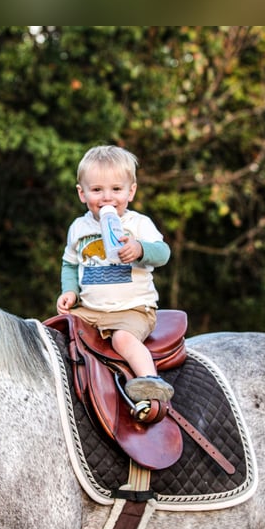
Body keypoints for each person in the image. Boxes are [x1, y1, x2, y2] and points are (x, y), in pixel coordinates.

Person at [56, 145, 174, 404]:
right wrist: (70, 291)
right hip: (91, 309)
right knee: (56, 333)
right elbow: (71, 265)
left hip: (132, 309)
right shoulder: (79, 228)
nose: (107, 198)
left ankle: (150, 382)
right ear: (82, 194)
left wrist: (140, 249)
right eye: (97, 190)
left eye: (116, 190)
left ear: (130, 192)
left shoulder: (138, 224)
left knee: (123, 339)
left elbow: (163, 253)